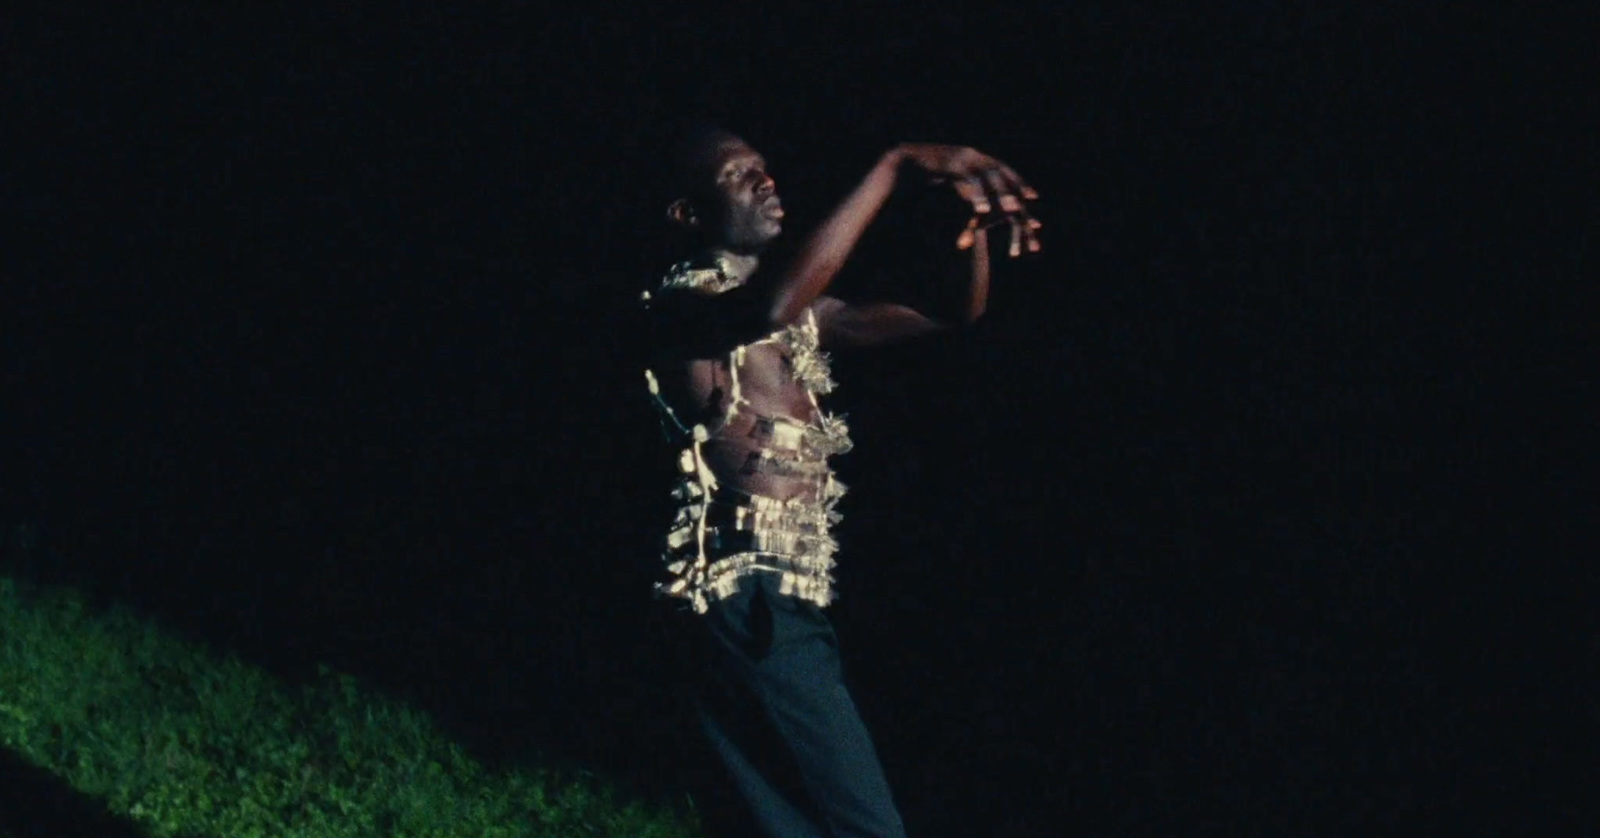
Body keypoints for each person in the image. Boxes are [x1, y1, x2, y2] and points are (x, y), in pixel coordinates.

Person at [642, 126, 1040, 837]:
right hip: (745, 595)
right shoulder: (680, 309)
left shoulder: (802, 320)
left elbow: (953, 314)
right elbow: (768, 308)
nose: (766, 181)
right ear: (689, 215)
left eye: (766, 167)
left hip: (784, 603)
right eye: (739, 175)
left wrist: (971, 230)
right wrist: (892, 165)